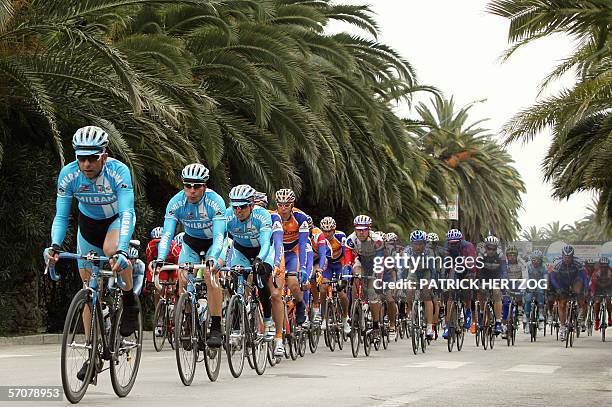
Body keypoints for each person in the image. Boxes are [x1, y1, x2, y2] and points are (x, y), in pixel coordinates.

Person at [44, 125, 137, 380]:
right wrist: (54, 246)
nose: (86, 164)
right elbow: (62, 216)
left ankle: (130, 301)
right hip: (88, 226)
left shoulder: (118, 172)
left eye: (92, 158)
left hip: (116, 222)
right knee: (88, 289)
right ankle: (92, 353)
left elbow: (128, 211)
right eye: (80, 158)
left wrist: (121, 250)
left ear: (104, 156)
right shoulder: (68, 175)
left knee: (111, 250)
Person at [153, 164, 226, 348]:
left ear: (205, 186)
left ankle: (216, 326)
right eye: (188, 186)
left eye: (197, 186)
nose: (192, 191)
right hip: (191, 243)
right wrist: (161, 258)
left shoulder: (215, 202)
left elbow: (219, 235)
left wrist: (214, 258)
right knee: (183, 277)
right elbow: (168, 234)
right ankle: (188, 320)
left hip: (213, 244)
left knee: (211, 275)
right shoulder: (176, 202)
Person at [225, 185, 279, 354]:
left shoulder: (262, 216)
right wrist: (220, 261)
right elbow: (222, 241)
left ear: (252, 205)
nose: (238, 211)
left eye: (242, 206)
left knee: (261, 280)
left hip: (262, 251)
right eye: (235, 206)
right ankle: (234, 330)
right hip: (241, 251)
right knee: (235, 286)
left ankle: (268, 321)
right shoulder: (228, 216)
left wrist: (259, 260)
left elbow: (265, 243)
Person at [344, 215, 385, 338]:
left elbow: (379, 262)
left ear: (369, 229)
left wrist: (379, 279)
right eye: (358, 229)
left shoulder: (377, 240)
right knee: (356, 277)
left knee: (372, 294)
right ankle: (356, 310)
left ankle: (376, 325)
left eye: (364, 229)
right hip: (361, 261)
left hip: (374, 263)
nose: (361, 232)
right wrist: (346, 275)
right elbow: (348, 261)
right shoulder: (350, 240)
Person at [549, 245, 588, 341]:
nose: (567, 259)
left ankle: (580, 312)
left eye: (569, 257)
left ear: (572, 256)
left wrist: (585, 289)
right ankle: (562, 328)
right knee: (562, 304)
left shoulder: (578, 263)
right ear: (562, 256)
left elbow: (584, 277)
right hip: (563, 284)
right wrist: (558, 288)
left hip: (575, 282)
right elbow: (553, 278)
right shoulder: (558, 264)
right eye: (565, 257)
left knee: (580, 293)